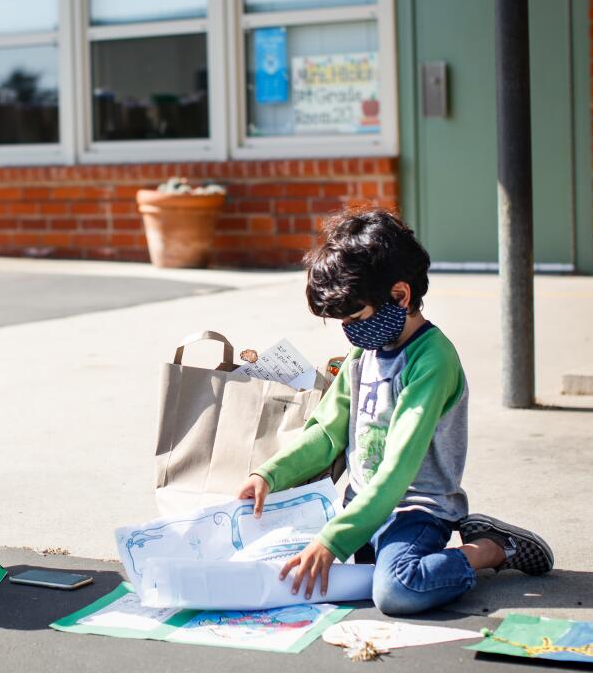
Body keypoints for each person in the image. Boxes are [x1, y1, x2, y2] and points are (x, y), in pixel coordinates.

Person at [237, 208, 553, 616]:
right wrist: (268, 474)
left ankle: (491, 549)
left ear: (400, 296)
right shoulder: (362, 352)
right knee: (300, 573)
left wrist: (333, 541)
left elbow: (399, 469)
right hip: (363, 505)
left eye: (355, 317)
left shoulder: (433, 360)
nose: (349, 330)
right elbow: (328, 433)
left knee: (397, 591)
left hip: (416, 508)